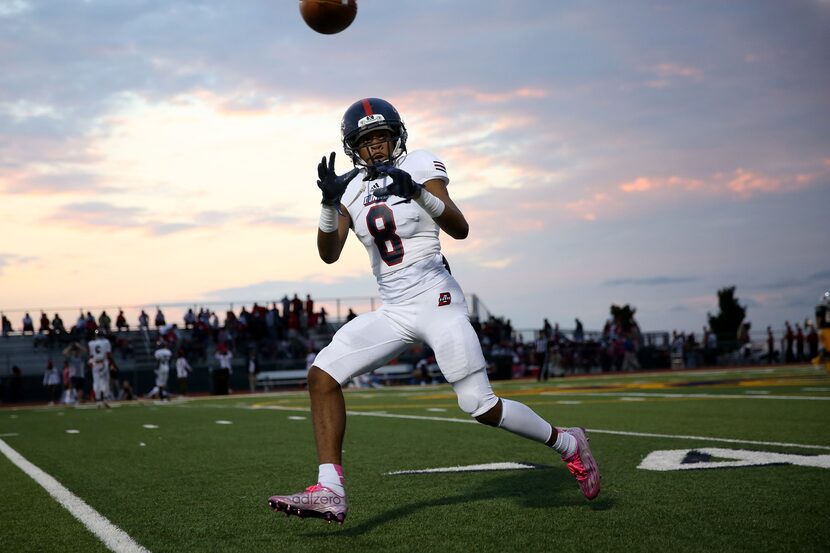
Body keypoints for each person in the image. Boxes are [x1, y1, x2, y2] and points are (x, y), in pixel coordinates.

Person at [267, 98, 600, 524]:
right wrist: (328, 205)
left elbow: (459, 227)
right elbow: (328, 254)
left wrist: (417, 192)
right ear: (354, 146)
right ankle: (330, 490)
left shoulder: (419, 164)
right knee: (322, 375)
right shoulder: (349, 187)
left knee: (480, 405)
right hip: (395, 308)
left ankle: (569, 444)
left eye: (383, 137)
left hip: (437, 299)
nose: (377, 147)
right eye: (367, 140)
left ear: (397, 137)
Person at [88, 330, 113, 408]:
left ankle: (98, 400)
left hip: (95, 363)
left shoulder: (91, 343)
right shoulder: (106, 342)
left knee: (96, 383)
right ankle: (105, 399)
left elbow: (91, 356)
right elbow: (108, 354)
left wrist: (90, 362)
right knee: (105, 382)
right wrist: (112, 364)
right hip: (103, 362)